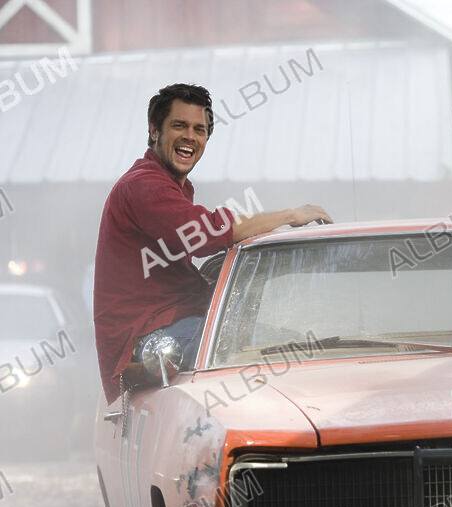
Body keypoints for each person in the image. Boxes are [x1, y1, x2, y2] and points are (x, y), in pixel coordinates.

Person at [93, 83, 332, 404]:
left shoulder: (171, 187)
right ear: (154, 130)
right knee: (290, 347)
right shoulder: (144, 186)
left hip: (172, 327)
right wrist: (290, 214)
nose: (190, 136)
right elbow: (207, 234)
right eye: (179, 126)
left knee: (290, 341)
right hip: (148, 340)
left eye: (200, 129)